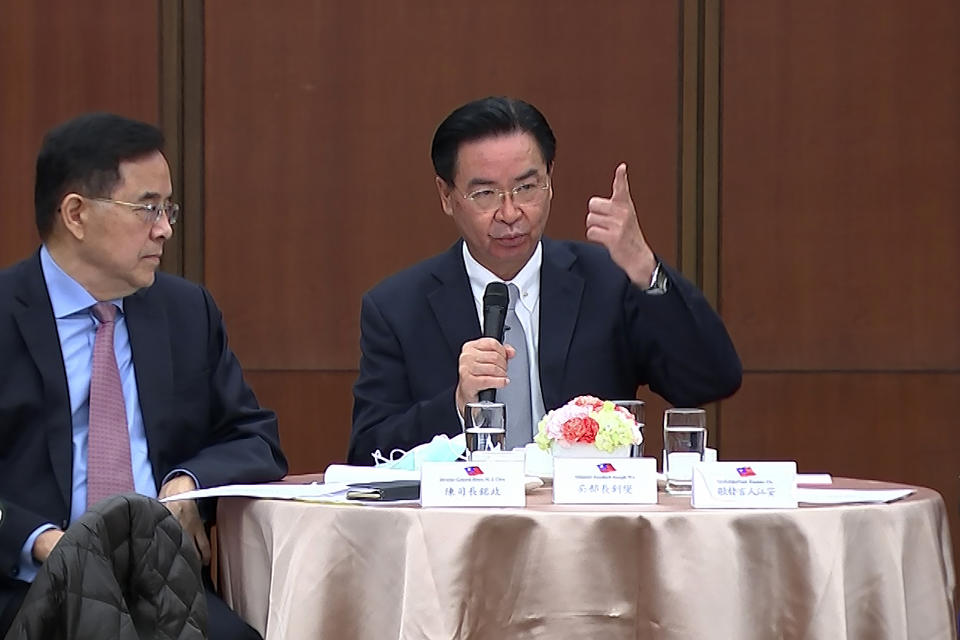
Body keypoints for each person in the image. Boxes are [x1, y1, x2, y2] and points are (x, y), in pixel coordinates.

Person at [0, 113, 288, 639]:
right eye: (147, 207)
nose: (165, 228)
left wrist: (186, 487)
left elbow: (255, 438)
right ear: (76, 214)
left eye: (168, 208)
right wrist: (45, 541)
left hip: (162, 587)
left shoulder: (184, 312)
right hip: (31, 588)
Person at [348, 96, 742, 464]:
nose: (510, 212)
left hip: (586, 524)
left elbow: (709, 381)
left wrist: (645, 268)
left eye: (526, 187)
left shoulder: (607, 281)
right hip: (461, 526)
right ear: (446, 196)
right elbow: (368, 455)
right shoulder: (398, 309)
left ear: (550, 180)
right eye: (485, 193)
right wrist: (455, 403)